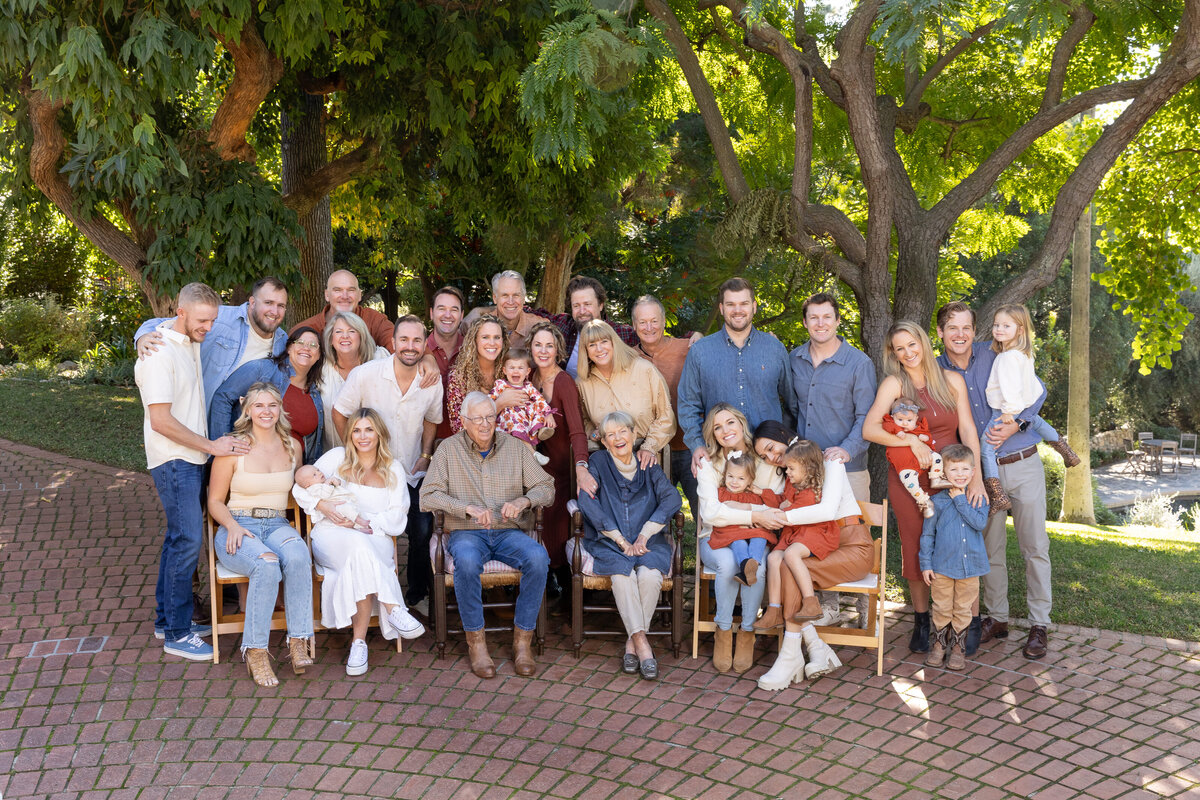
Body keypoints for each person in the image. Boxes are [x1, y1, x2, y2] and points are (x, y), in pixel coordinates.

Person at [935, 301, 1053, 660]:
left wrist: (1018, 422)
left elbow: (1040, 391)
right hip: (981, 473)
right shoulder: (935, 369)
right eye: (951, 328)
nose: (959, 334)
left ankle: (1039, 624)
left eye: (966, 327)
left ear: (976, 330)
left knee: (1034, 546)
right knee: (991, 547)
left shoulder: (998, 352)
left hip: (1023, 461)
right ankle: (997, 617)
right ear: (940, 333)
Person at [863, 320, 984, 654]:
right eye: (900, 348)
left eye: (912, 344)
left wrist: (976, 478)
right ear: (893, 354)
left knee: (961, 544)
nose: (908, 353)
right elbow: (870, 429)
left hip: (952, 477)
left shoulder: (951, 380)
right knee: (917, 545)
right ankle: (922, 621)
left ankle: (967, 623)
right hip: (909, 480)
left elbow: (969, 432)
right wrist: (909, 442)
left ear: (924, 343)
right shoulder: (894, 384)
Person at [135, 282, 240, 662]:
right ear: (179, 313)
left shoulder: (186, 342)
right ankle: (178, 634)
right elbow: (160, 420)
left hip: (189, 459)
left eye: (212, 319)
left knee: (177, 539)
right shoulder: (159, 352)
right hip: (174, 459)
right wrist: (212, 446)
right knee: (187, 542)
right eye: (201, 320)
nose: (208, 327)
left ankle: (167, 620)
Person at [420, 393, 555, 679]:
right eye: (477, 418)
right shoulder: (448, 450)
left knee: (538, 557)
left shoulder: (515, 448)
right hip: (467, 533)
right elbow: (427, 496)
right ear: (464, 422)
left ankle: (522, 642)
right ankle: (476, 644)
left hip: (508, 531)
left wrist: (523, 502)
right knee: (466, 563)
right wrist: (465, 508)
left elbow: (546, 487)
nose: (485, 424)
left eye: (490, 417)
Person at [293, 408, 427, 676]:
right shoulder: (336, 458)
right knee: (358, 549)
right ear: (349, 433)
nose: (362, 436)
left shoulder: (393, 468)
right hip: (331, 536)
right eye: (356, 430)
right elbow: (300, 487)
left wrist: (365, 524)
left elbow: (398, 515)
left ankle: (358, 643)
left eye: (368, 429)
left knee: (360, 552)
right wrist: (323, 505)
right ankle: (394, 608)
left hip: (374, 536)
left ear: (379, 433)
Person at [751, 421, 875, 690]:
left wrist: (781, 516)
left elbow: (827, 512)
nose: (772, 458)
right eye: (764, 456)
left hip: (853, 547)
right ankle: (813, 648)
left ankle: (791, 654)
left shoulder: (829, 462)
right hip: (821, 546)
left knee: (786, 564)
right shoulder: (793, 477)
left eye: (772, 448)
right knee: (782, 561)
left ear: (786, 437)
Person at [333, 316, 443, 614]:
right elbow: (340, 411)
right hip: (371, 471)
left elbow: (432, 418)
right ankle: (370, 596)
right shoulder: (365, 374)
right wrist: (353, 448)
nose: (410, 346)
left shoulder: (431, 380)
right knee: (369, 529)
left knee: (420, 531)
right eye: (404, 340)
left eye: (417, 340)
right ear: (392, 343)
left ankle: (416, 595)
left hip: (411, 469)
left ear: (425, 344)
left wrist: (426, 454)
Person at [207, 383, 314, 686]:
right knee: (266, 566)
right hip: (238, 526)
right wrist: (232, 526)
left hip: (278, 524)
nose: (266, 411)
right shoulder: (234, 447)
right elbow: (214, 500)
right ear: (248, 410)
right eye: (259, 406)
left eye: (272, 405)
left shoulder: (293, 447)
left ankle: (298, 640)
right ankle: (255, 650)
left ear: (281, 408)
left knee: (298, 556)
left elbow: (301, 488)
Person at [577, 411, 682, 679]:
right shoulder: (598, 462)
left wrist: (645, 535)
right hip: (610, 543)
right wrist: (621, 540)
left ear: (634, 434)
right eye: (610, 434)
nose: (618, 438)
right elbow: (587, 501)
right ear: (603, 441)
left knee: (649, 576)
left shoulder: (648, 463)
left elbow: (671, 499)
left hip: (649, 542)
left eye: (623, 431)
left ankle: (631, 643)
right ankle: (643, 645)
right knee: (622, 577)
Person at [694, 405, 785, 674]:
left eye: (730, 422)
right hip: (715, 537)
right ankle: (723, 630)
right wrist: (753, 513)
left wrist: (738, 512)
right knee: (729, 563)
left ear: (742, 424)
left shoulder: (762, 461)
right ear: (712, 434)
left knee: (759, 564)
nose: (725, 431)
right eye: (717, 427)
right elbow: (711, 513)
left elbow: (776, 505)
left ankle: (746, 632)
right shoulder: (708, 465)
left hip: (755, 536)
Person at [678, 277, 797, 477]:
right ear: (722, 308)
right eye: (731, 304)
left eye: (744, 303)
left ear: (754, 307)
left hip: (768, 460)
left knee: (773, 508)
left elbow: (792, 404)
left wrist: (784, 442)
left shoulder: (775, 349)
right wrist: (698, 445)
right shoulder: (700, 351)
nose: (738, 310)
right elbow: (687, 405)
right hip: (720, 459)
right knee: (722, 509)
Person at [979, 303, 1081, 510]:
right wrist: (1022, 409)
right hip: (1024, 407)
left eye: (1006, 326)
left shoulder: (1006, 358)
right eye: (996, 325)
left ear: (1020, 329)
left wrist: (1009, 411)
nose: (999, 329)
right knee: (1035, 421)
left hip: (1004, 411)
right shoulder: (1025, 354)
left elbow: (1009, 388)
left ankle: (997, 495)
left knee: (986, 448)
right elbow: (1033, 386)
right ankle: (1066, 451)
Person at [135, 277, 290, 406]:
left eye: (281, 305)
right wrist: (143, 337)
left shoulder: (283, 342)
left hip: (244, 428)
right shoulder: (220, 318)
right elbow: (166, 323)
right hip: (204, 417)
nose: (274, 312)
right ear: (253, 302)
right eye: (268, 303)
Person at [789, 293, 877, 501]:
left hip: (848, 468)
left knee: (852, 532)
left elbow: (867, 416)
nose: (821, 324)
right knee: (805, 532)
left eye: (827, 317)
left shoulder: (859, 364)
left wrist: (847, 450)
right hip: (804, 469)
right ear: (805, 322)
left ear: (837, 320)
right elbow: (790, 409)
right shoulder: (794, 359)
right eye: (814, 317)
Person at [528, 320, 592, 596]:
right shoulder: (529, 377)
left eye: (549, 346)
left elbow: (578, 431)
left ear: (558, 351)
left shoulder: (564, 382)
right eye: (538, 345)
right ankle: (536, 571)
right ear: (530, 348)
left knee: (555, 518)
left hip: (562, 467)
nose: (543, 351)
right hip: (534, 464)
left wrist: (581, 466)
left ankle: (556, 574)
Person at [754, 440, 841, 627]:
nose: (787, 472)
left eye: (791, 468)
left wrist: (782, 509)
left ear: (807, 468)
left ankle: (811, 602)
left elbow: (791, 511)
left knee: (791, 554)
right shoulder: (791, 483)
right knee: (773, 558)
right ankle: (774, 609)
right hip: (792, 533)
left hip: (813, 532)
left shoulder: (812, 491)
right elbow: (782, 502)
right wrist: (761, 492)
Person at [209, 326, 325, 464]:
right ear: (288, 348)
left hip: (294, 470)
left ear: (318, 355)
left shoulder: (315, 394)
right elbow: (223, 397)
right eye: (300, 342)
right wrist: (223, 447)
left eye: (313, 345)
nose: (306, 348)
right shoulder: (262, 369)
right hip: (252, 463)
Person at [920, 444, 990, 671]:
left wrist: (961, 499)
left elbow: (979, 523)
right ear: (944, 473)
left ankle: (958, 649)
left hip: (971, 568)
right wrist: (926, 564)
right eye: (954, 470)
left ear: (972, 472)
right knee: (941, 606)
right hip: (942, 567)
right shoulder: (936, 502)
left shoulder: (978, 498)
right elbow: (928, 534)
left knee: (962, 608)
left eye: (964, 470)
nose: (960, 475)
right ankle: (939, 645)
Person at [632, 295, 699, 517]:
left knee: (703, 512)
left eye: (654, 320)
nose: (649, 327)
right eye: (642, 322)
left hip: (690, 447)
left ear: (663, 322)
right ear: (634, 325)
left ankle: (707, 552)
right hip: (652, 452)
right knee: (654, 515)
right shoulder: (628, 358)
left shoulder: (689, 348)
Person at [576, 320, 675, 469]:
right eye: (592, 345)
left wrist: (649, 447)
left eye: (604, 341)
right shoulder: (583, 383)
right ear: (586, 351)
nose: (599, 348)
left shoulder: (643, 369)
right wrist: (594, 433)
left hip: (646, 459)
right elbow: (583, 420)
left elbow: (666, 416)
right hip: (606, 463)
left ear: (614, 342)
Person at [707, 450, 778, 587]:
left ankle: (753, 564)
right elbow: (718, 513)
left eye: (741, 478)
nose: (734, 482)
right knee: (738, 541)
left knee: (761, 536)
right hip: (732, 531)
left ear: (750, 480)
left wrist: (762, 492)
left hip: (752, 530)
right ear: (725, 475)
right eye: (730, 476)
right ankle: (746, 563)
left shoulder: (753, 497)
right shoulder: (720, 494)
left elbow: (774, 505)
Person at [319, 311, 389, 449]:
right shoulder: (321, 369)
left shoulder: (380, 359)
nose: (345, 336)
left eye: (351, 331)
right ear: (331, 339)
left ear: (361, 336)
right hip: (336, 453)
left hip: (380, 453)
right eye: (338, 332)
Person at [446, 314, 526, 433]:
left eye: (497, 337)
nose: (492, 343)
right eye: (485, 337)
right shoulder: (458, 377)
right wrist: (499, 404)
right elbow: (459, 428)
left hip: (510, 440)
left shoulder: (509, 370)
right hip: (473, 448)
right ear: (475, 340)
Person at [292, 270, 395, 351]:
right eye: (337, 290)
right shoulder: (306, 328)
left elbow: (397, 347)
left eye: (351, 290)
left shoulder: (374, 320)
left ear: (359, 295)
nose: (345, 296)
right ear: (327, 295)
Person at [882, 396, 950, 518]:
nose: (904, 423)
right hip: (906, 467)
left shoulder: (919, 429)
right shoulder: (891, 426)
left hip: (922, 459)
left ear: (915, 419)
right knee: (909, 483)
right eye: (900, 419)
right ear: (893, 418)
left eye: (909, 421)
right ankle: (925, 502)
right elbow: (887, 425)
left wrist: (926, 438)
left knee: (937, 458)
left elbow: (929, 440)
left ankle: (936, 478)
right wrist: (897, 431)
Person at [490, 347, 555, 465]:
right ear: (504, 370)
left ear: (527, 372)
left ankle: (540, 428)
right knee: (514, 419)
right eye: (511, 367)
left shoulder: (528, 387)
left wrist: (548, 413)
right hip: (509, 421)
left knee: (537, 406)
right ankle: (534, 453)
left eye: (520, 368)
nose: (516, 371)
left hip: (526, 420)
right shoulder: (501, 385)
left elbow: (540, 399)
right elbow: (489, 401)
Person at [462, 271, 545, 349]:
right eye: (505, 295)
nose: (511, 302)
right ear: (495, 298)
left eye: (516, 295)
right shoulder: (479, 328)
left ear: (523, 298)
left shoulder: (540, 326)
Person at [427, 286, 466, 441]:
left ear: (462, 315)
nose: (447, 315)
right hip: (420, 446)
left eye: (454, 309)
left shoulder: (473, 351)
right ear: (431, 313)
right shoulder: (417, 351)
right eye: (441, 308)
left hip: (465, 445)